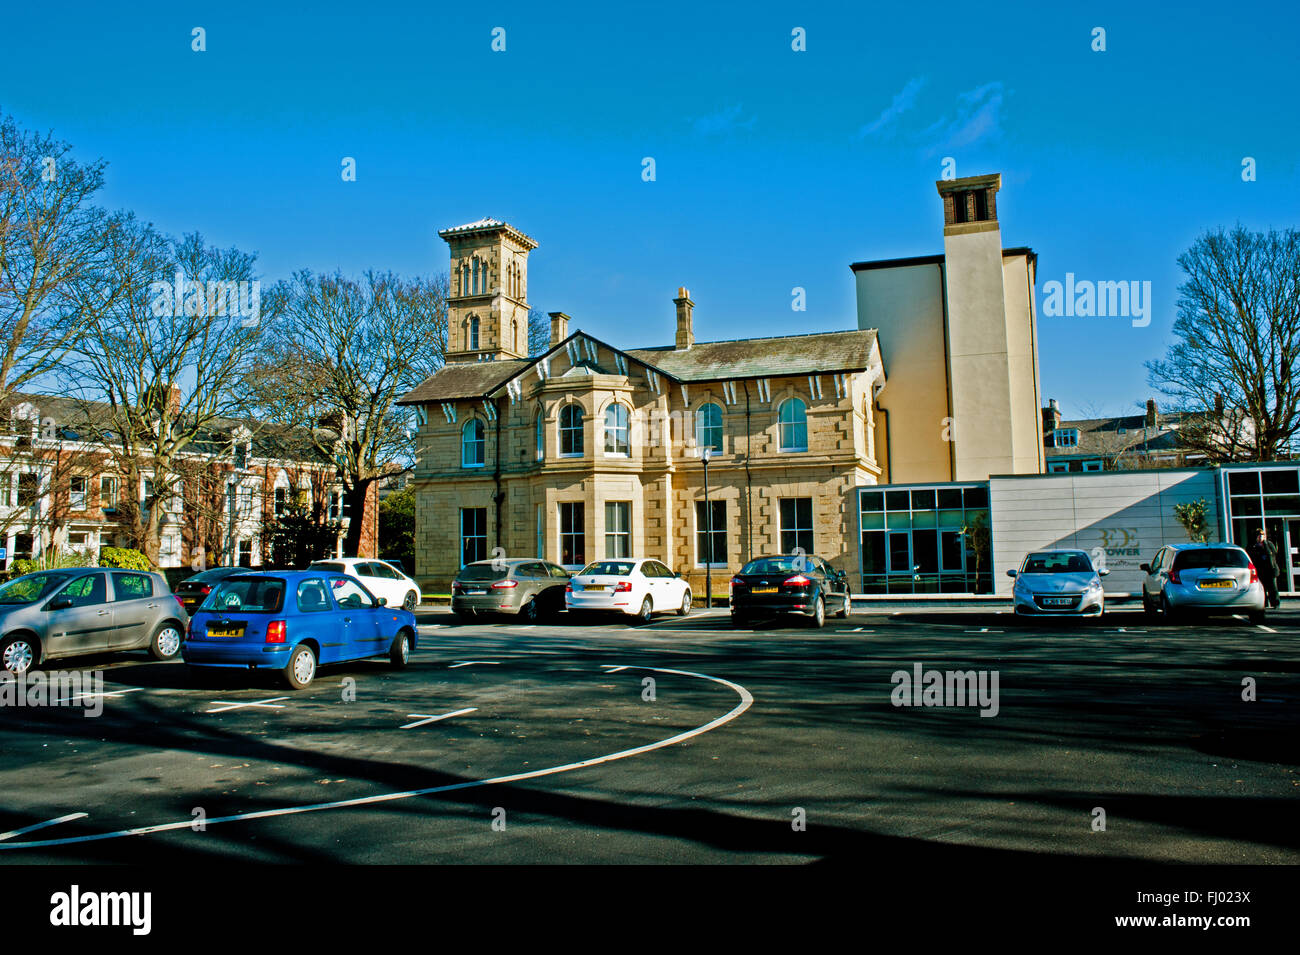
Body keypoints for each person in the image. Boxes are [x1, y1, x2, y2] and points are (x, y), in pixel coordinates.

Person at [1247, 527, 1281, 610]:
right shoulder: (1252, 546)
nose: (1260, 537)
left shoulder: (1269, 544)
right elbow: (1251, 557)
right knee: (1263, 588)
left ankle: (1275, 603)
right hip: (1260, 570)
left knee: (1273, 588)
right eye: (1259, 536)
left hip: (1271, 569)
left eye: (1262, 535)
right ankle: (1264, 603)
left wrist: (1265, 544)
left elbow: (1272, 554)